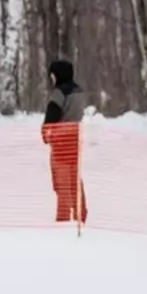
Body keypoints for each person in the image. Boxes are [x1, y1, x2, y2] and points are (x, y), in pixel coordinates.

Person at [42, 59, 87, 223]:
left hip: (61, 144)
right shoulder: (79, 92)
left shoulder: (59, 94)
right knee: (75, 180)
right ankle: (80, 214)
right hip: (75, 140)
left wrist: (46, 133)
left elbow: (51, 120)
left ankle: (63, 219)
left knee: (61, 185)